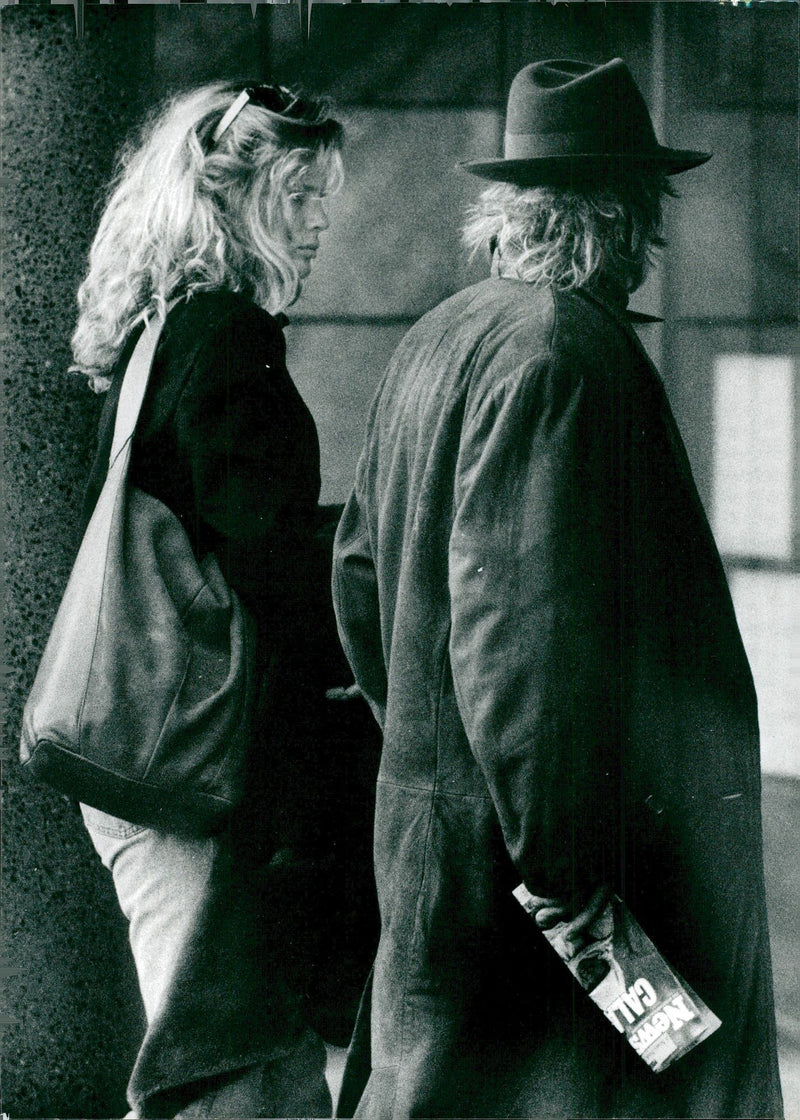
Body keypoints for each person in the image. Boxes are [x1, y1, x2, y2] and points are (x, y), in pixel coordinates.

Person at [332, 58, 784, 1118]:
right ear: (622, 216)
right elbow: (517, 645)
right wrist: (569, 886)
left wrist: (429, 754)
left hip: (452, 843)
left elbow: (356, 575)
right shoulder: (560, 352)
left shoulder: (439, 337)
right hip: (554, 879)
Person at [71, 81, 345, 1118]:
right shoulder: (226, 333)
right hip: (184, 760)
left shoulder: (166, 327)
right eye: (299, 193)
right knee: (219, 1069)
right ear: (229, 200)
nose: (320, 221)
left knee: (241, 1059)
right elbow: (268, 551)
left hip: (149, 751)